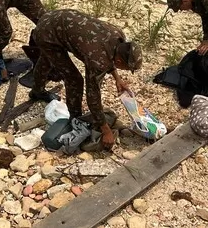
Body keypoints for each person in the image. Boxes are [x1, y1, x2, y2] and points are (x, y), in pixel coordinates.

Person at [28, 9, 143, 148]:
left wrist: (117, 78)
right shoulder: (97, 60)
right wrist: (105, 130)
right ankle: (75, 118)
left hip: (56, 18)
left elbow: (111, 56)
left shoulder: (118, 36)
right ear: (119, 61)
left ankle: (37, 90)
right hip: (47, 34)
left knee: (47, 59)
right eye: (126, 68)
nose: (125, 70)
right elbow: (93, 96)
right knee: (74, 79)